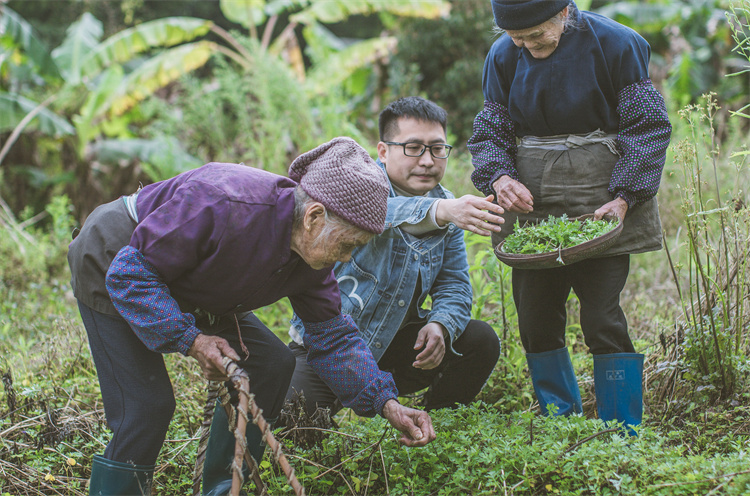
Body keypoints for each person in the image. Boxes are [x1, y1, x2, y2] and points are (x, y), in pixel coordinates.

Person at [67, 137, 436, 496]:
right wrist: (193, 340)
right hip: (115, 260)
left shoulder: (311, 259)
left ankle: (225, 488)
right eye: (347, 245)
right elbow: (130, 274)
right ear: (314, 216)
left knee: (272, 364)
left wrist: (386, 403)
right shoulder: (224, 203)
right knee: (147, 407)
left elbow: (334, 337)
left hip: (193, 281)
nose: (345, 260)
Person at [468, 0, 671, 433]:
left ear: (563, 12)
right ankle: (561, 423)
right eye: (516, 38)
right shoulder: (502, 56)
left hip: (601, 198)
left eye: (536, 34)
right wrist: (500, 177)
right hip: (532, 205)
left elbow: (647, 126)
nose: (526, 45)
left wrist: (625, 197)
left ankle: (622, 429)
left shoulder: (617, 43)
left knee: (602, 317)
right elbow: (490, 130)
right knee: (536, 318)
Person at [284, 97, 503, 420]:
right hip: (329, 346)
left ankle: (437, 426)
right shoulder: (360, 184)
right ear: (383, 152)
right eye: (414, 148)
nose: (428, 161)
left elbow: (455, 285)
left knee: (480, 340)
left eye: (437, 148)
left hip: (394, 343)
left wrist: (441, 326)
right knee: (295, 421)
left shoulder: (447, 207)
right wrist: (439, 212)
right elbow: (382, 214)